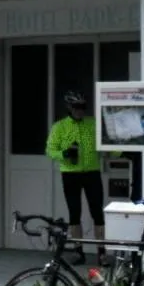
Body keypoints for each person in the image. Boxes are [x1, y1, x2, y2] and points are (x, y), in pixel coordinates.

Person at [47, 90, 106, 250]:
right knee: (74, 213)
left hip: (91, 173)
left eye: (82, 107)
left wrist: (125, 152)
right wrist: (64, 153)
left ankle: (101, 250)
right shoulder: (59, 127)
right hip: (70, 174)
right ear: (69, 107)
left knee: (97, 212)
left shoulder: (92, 124)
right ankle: (78, 250)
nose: (79, 110)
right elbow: (50, 150)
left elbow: (105, 144)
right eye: (76, 107)